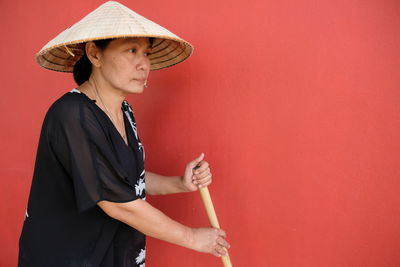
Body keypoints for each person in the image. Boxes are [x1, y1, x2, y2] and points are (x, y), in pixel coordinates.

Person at [18, 2, 230, 267]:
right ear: (95, 55)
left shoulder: (124, 111)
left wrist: (179, 183)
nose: (144, 64)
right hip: (71, 257)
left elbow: (122, 180)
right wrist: (191, 237)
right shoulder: (72, 114)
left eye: (147, 53)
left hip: (116, 255)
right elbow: (114, 201)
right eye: (132, 50)